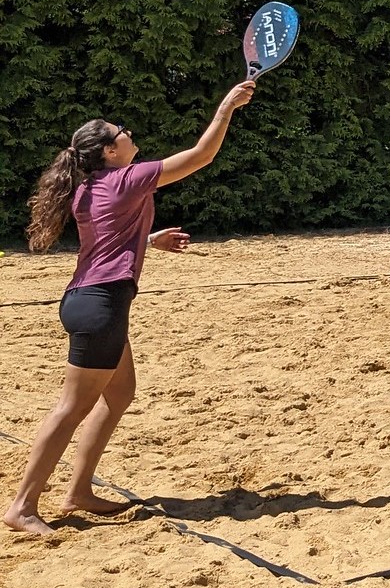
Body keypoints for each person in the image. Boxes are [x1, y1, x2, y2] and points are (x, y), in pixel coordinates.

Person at [5, 81, 257, 536]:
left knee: (119, 395)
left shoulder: (86, 188)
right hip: (101, 307)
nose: (128, 132)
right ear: (107, 151)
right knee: (69, 408)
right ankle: (22, 506)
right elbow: (201, 155)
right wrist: (226, 108)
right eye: (119, 130)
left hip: (86, 300)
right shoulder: (129, 177)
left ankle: (79, 490)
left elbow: (106, 238)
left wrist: (148, 238)